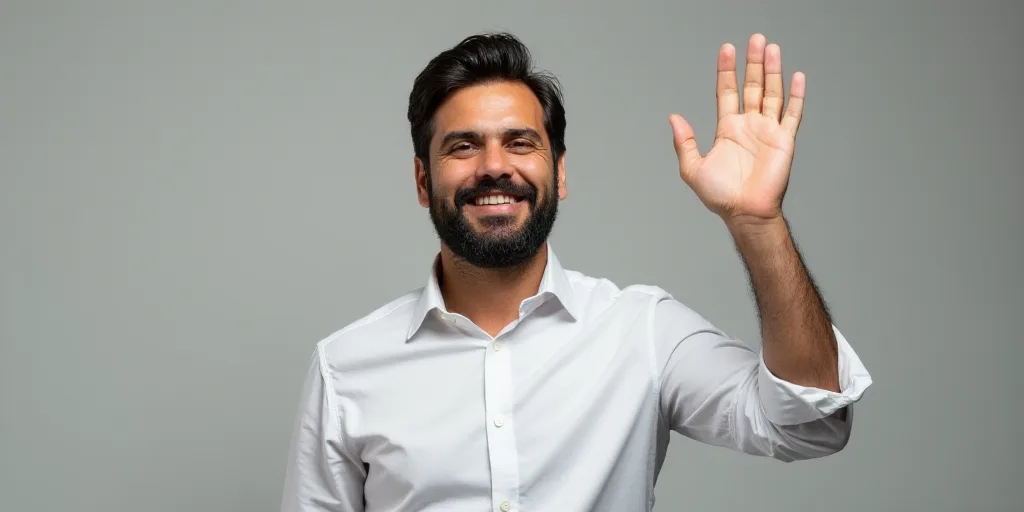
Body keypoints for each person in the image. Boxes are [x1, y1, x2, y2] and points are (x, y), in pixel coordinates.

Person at [280, 31, 872, 512]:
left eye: (520, 143)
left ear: (558, 173)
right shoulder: (346, 365)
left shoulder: (642, 329)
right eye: (462, 147)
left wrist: (757, 223)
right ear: (422, 180)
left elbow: (810, 423)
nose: (494, 167)